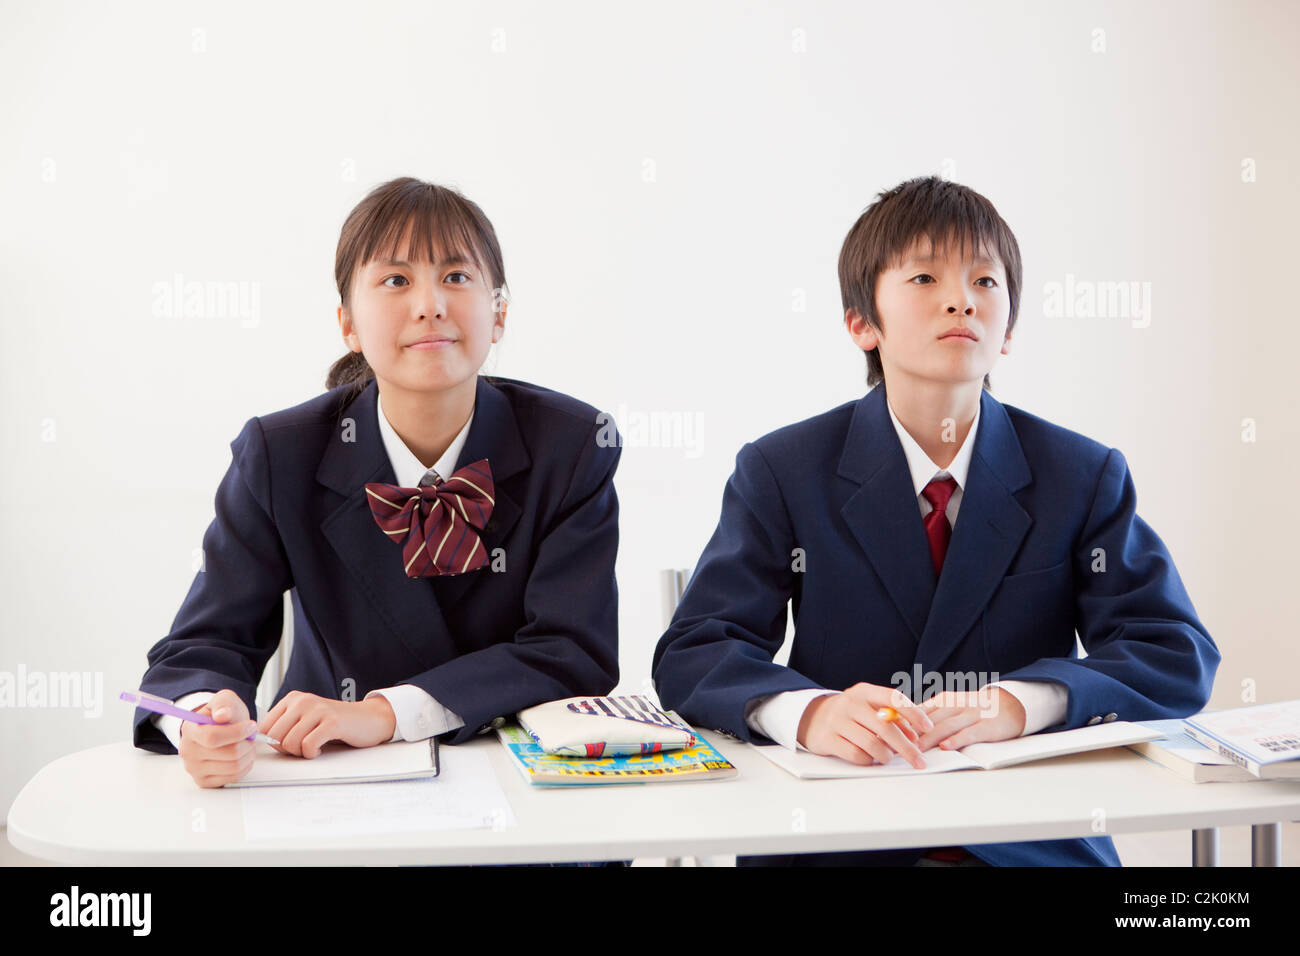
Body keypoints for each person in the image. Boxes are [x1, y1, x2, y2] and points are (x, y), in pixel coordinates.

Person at [651, 175, 1219, 866]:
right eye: (925, 277)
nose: (961, 300)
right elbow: (698, 649)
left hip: (1028, 841)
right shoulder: (783, 468)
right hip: (838, 838)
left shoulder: (1081, 473)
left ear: (1007, 330)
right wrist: (809, 713)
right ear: (862, 322)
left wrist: (1023, 702)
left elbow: (1174, 652)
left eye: (986, 281)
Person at [133, 177, 621, 794]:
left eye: (456, 277)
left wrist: (384, 713)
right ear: (348, 324)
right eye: (395, 280)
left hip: (517, 786)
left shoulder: (573, 446)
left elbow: (572, 652)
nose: (429, 305)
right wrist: (202, 721)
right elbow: (206, 641)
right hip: (329, 780)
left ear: (498, 313)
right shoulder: (279, 453)